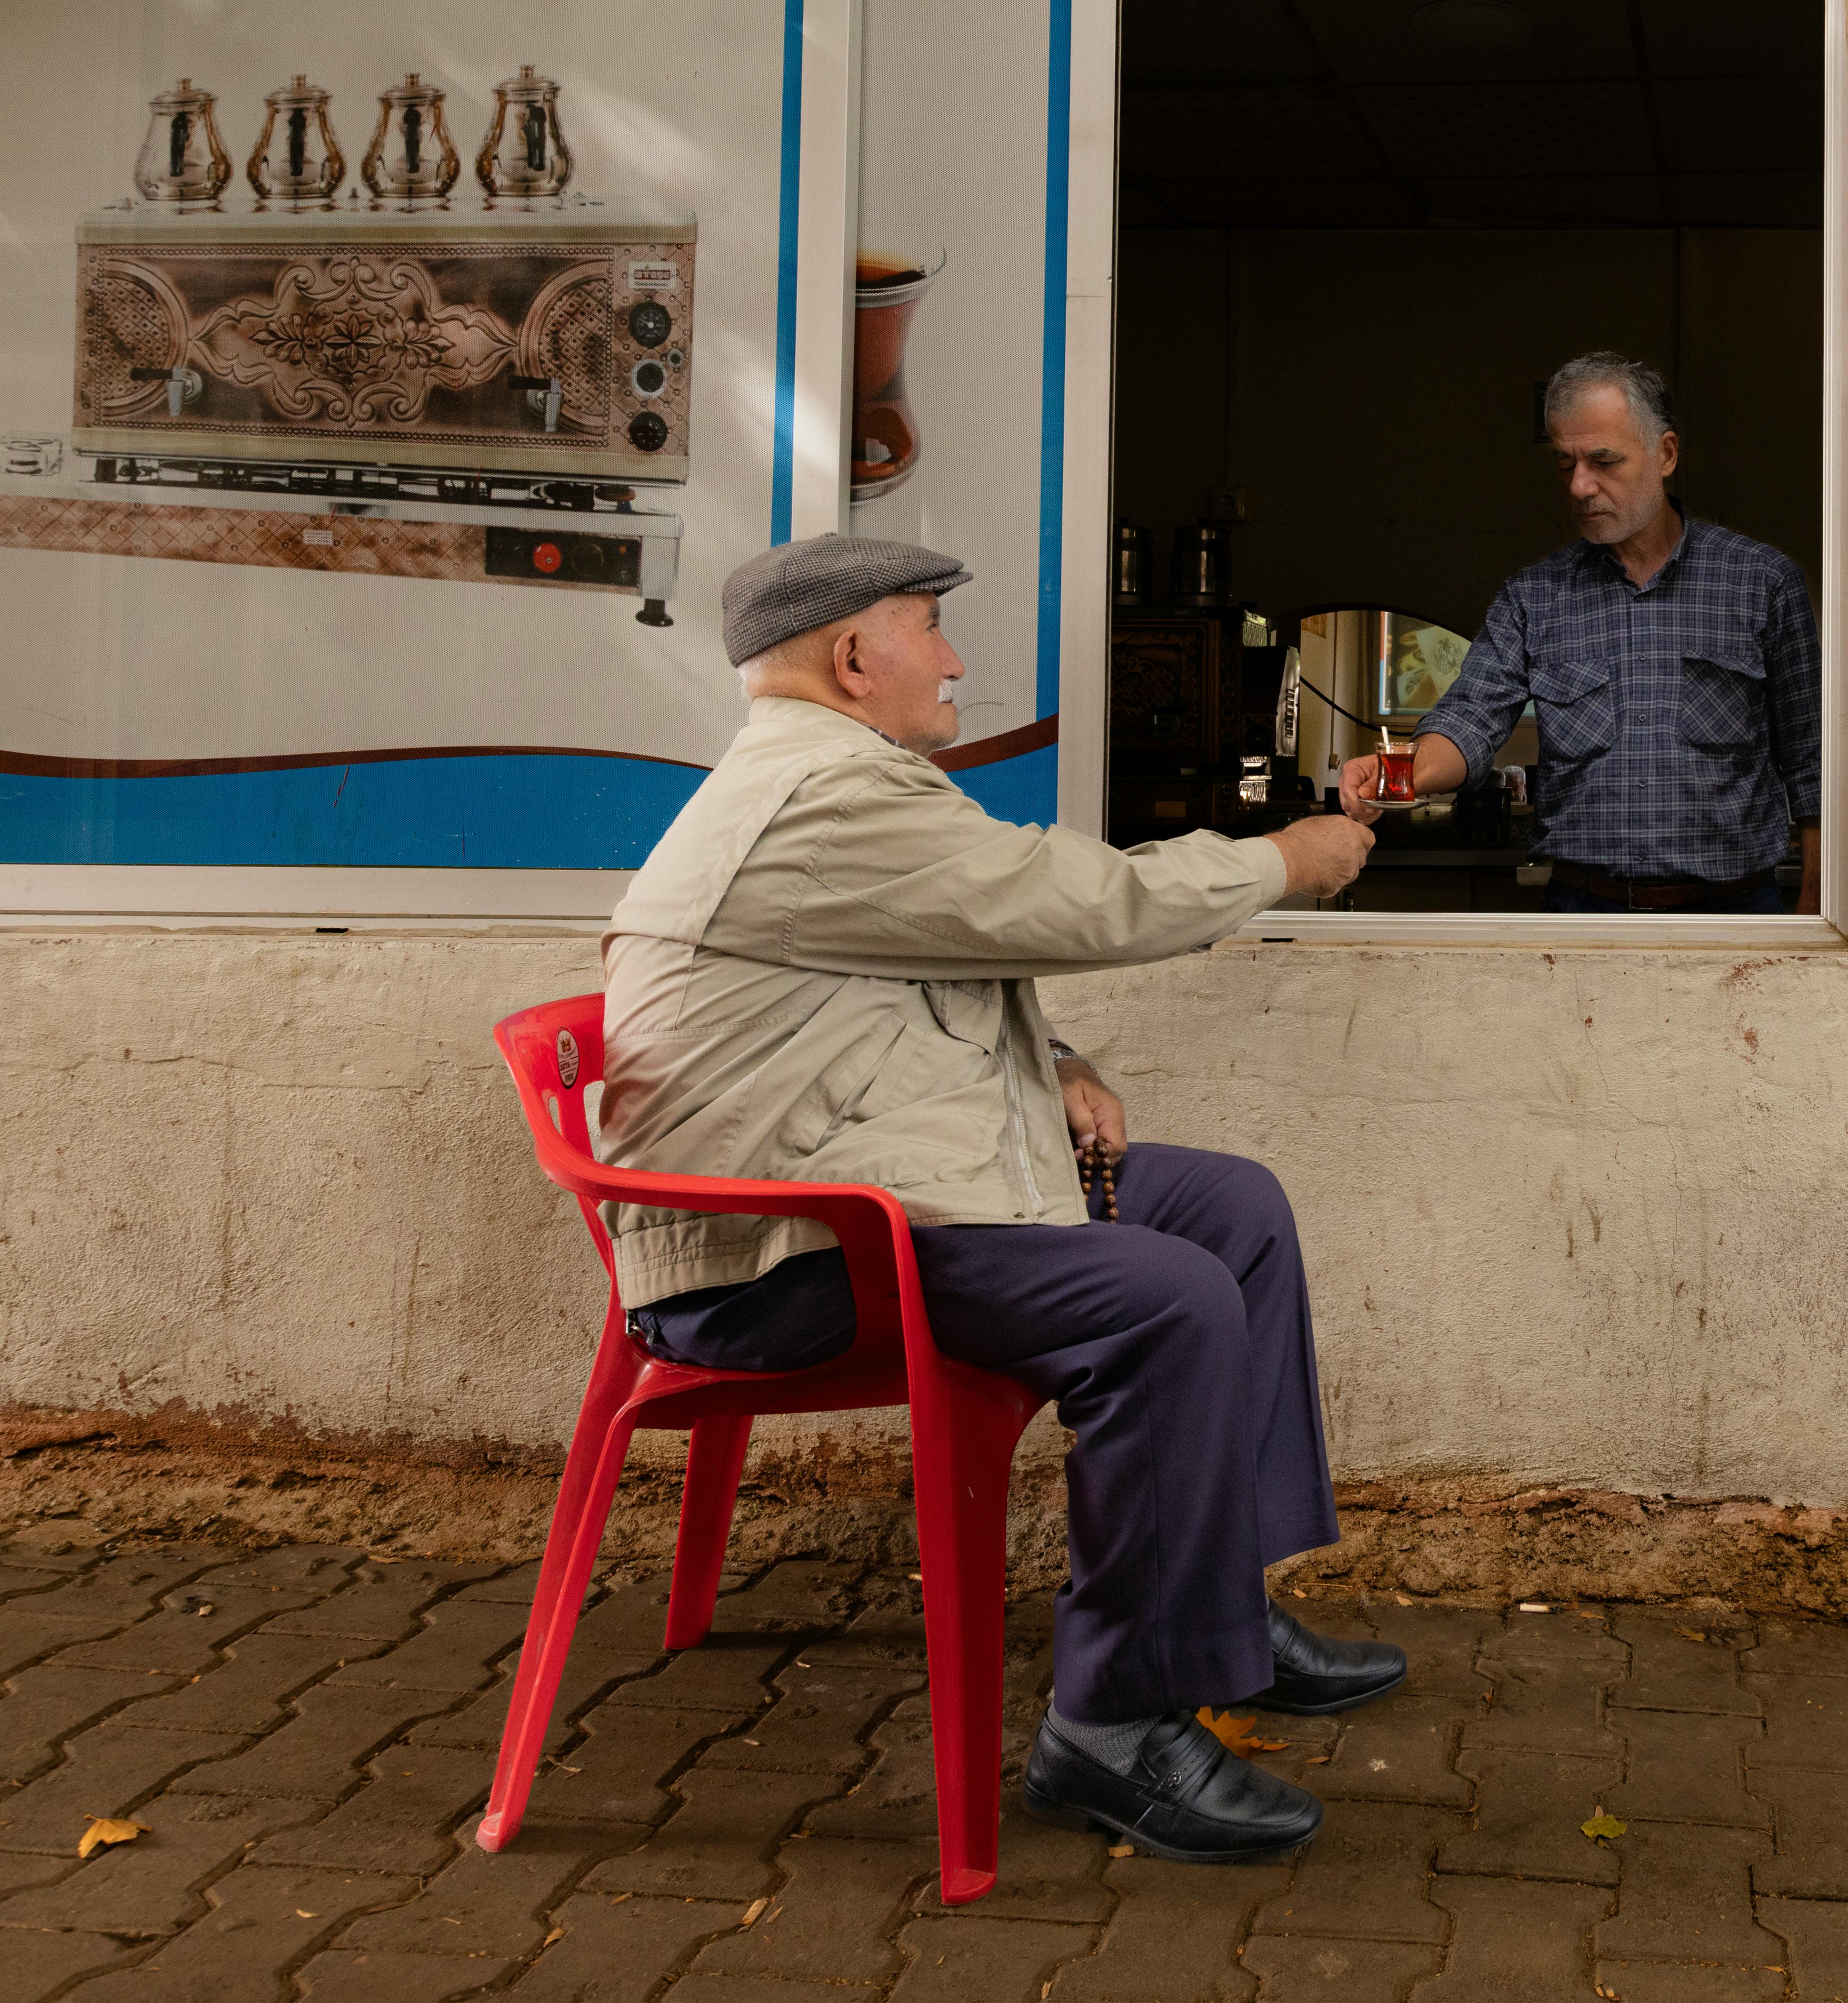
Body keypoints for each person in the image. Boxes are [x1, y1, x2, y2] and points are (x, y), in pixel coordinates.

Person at [599, 533, 1398, 1862]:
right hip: (779, 1253)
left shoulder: (837, 780)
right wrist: (1276, 861)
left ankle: (1214, 1616)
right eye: (930, 624)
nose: (957, 657)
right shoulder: (825, 798)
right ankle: (1114, 1725)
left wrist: (1060, 1060)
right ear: (857, 657)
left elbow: (925, 960)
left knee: (1230, 1209)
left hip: (839, 1184)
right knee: (1165, 1297)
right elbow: (1071, 899)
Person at [1340, 350, 1822, 914]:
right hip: (1582, 909)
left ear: (1665, 454)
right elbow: (1470, 718)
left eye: (1603, 461)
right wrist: (1403, 772)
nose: (1579, 486)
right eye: (1565, 464)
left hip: (1737, 910)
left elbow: (1810, 759)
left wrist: (1815, 898)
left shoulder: (1763, 584)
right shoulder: (1532, 597)